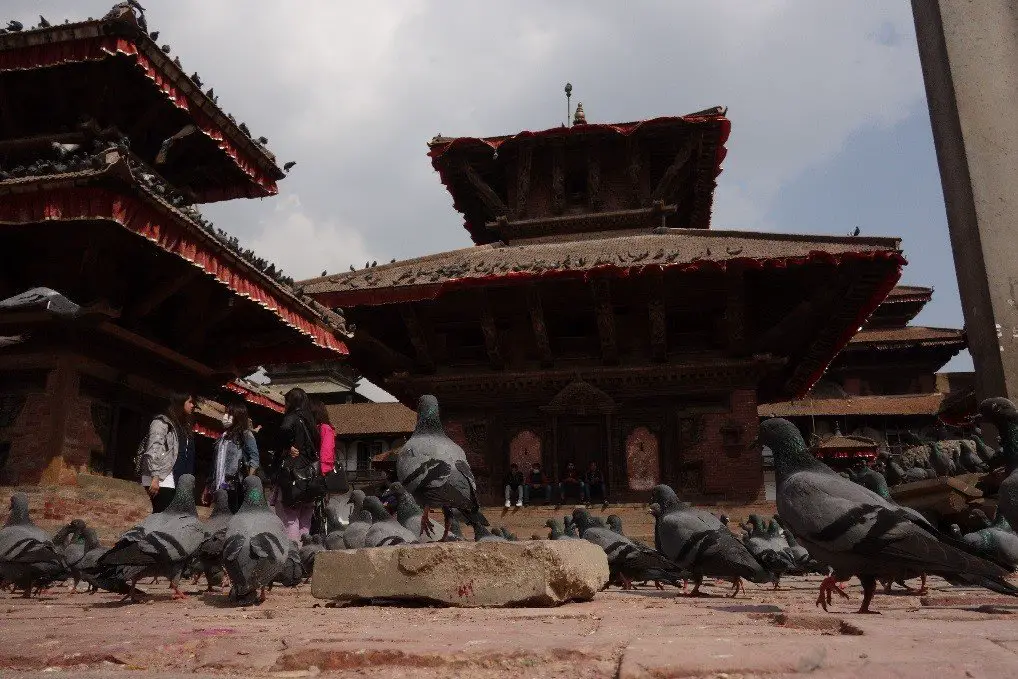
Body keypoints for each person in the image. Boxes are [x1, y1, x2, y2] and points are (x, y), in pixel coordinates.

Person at [273, 387, 321, 541]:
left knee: (290, 518)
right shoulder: (311, 421)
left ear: (290, 402)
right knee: (306, 520)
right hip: (311, 475)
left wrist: (287, 446)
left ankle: (294, 554)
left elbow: (284, 429)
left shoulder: (292, 417)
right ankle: (306, 551)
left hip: (294, 476)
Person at [139, 393, 195, 513]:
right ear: (180, 403)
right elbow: (154, 447)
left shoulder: (182, 425)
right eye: (189, 402)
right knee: (163, 513)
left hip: (171, 476)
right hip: (160, 476)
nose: (192, 405)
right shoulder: (162, 422)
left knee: (166, 515)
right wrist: (155, 476)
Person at [205, 402, 260, 513]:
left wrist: (248, 481)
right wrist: (208, 486)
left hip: (234, 487)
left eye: (229, 414)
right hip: (218, 487)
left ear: (237, 416)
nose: (226, 417)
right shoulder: (223, 436)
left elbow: (254, 458)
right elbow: (215, 463)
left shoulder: (246, 435)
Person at [309, 398, 336, 475]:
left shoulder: (325, 428)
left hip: (320, 470)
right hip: (314, 467)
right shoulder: (316, 427)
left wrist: (324, 470)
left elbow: (326, 450)